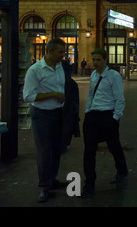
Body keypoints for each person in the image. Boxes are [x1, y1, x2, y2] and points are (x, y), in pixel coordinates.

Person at [23, 38, 70, 203]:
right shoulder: (35, 70)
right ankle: (44, 186)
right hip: (41, 115)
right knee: (44, 151)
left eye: (63, 52)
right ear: (49, 51)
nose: (63, 56)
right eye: (60, 52)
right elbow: (28, 96)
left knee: (57, 148)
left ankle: (53, 179)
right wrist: (53, 95)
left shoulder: (60, 67)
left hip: (57, 113)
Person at [82, 48, 128, 197]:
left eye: (98, 60)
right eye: (93, 60)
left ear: (105, 60)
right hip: (93, 116)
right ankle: (89, 184)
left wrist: (115, 117)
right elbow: (90, 94)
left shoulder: (113, 76)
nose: (95, 63)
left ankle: (122, 170)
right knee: (89, 150)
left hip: (108, 115)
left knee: (114, 146)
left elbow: (119, 98)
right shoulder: (94, 74)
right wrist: (88, 111)